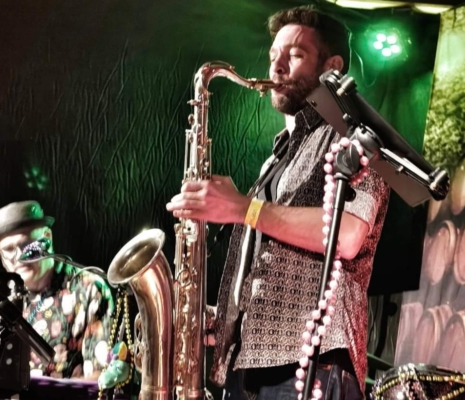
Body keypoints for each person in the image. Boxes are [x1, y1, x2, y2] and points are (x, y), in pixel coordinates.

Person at [166, 5, 390, 400]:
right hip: (251, 367)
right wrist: (225, 318)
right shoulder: (278, 156)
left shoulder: (356, 133)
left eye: (295, 55)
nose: (277, 67)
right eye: (273, 55)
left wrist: (243, 209)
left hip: (312, 363)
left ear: (332, 67)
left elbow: (348, 235)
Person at [0, 200, 115, 380]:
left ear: (47, 237)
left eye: (27, 244)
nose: (19, 257)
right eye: (8, 250)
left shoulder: (88, 287)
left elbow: (102, 378)